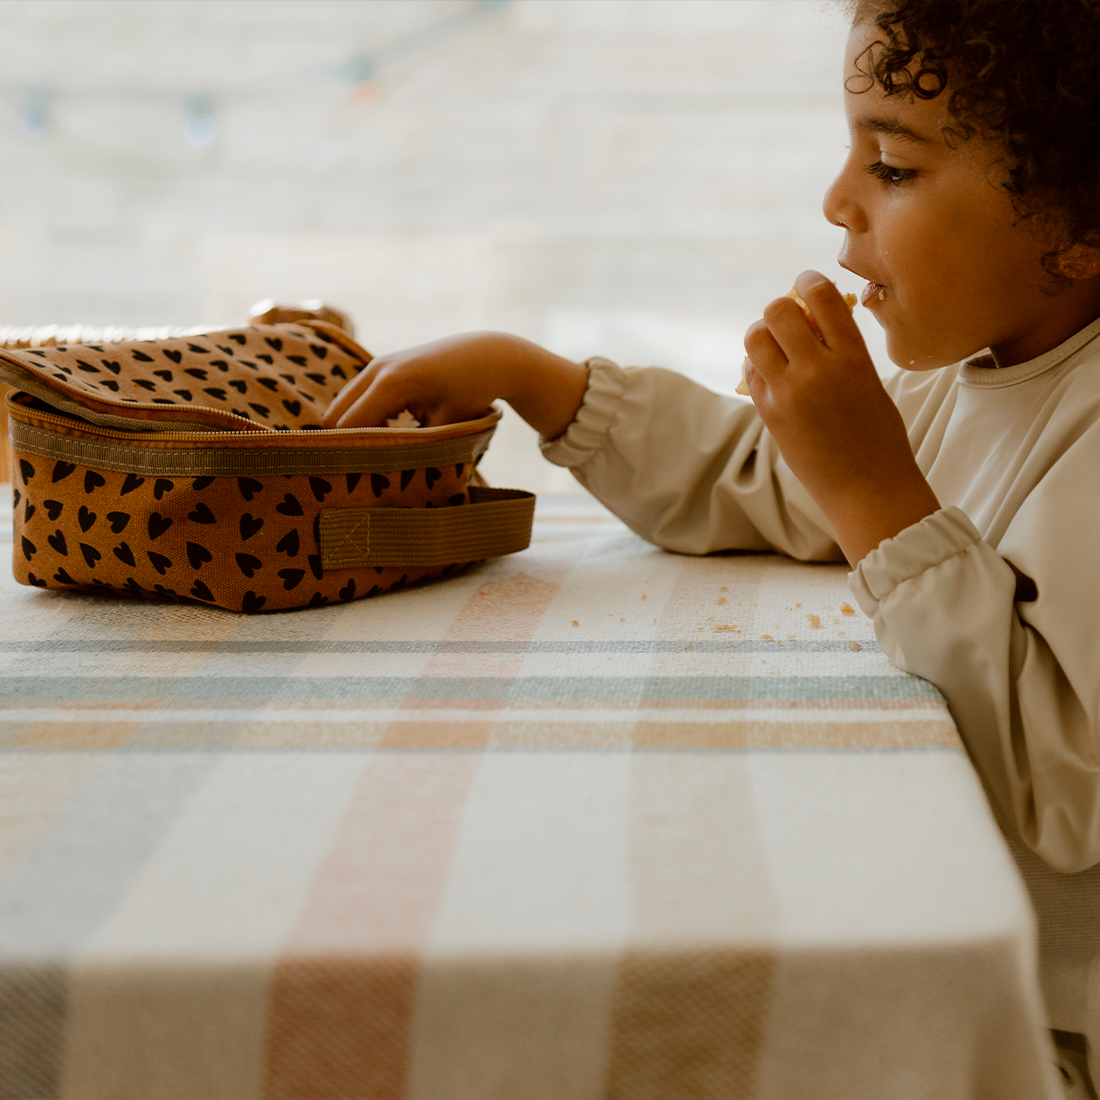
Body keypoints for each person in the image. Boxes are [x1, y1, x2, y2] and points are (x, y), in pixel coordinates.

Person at [323, 0, 1100, 877]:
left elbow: (1063, 780)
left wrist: (874, 494)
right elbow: (760, 479)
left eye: (891, 166)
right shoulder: (955, 377)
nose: (836, 199)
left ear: (1079, 225)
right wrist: (537, 379)